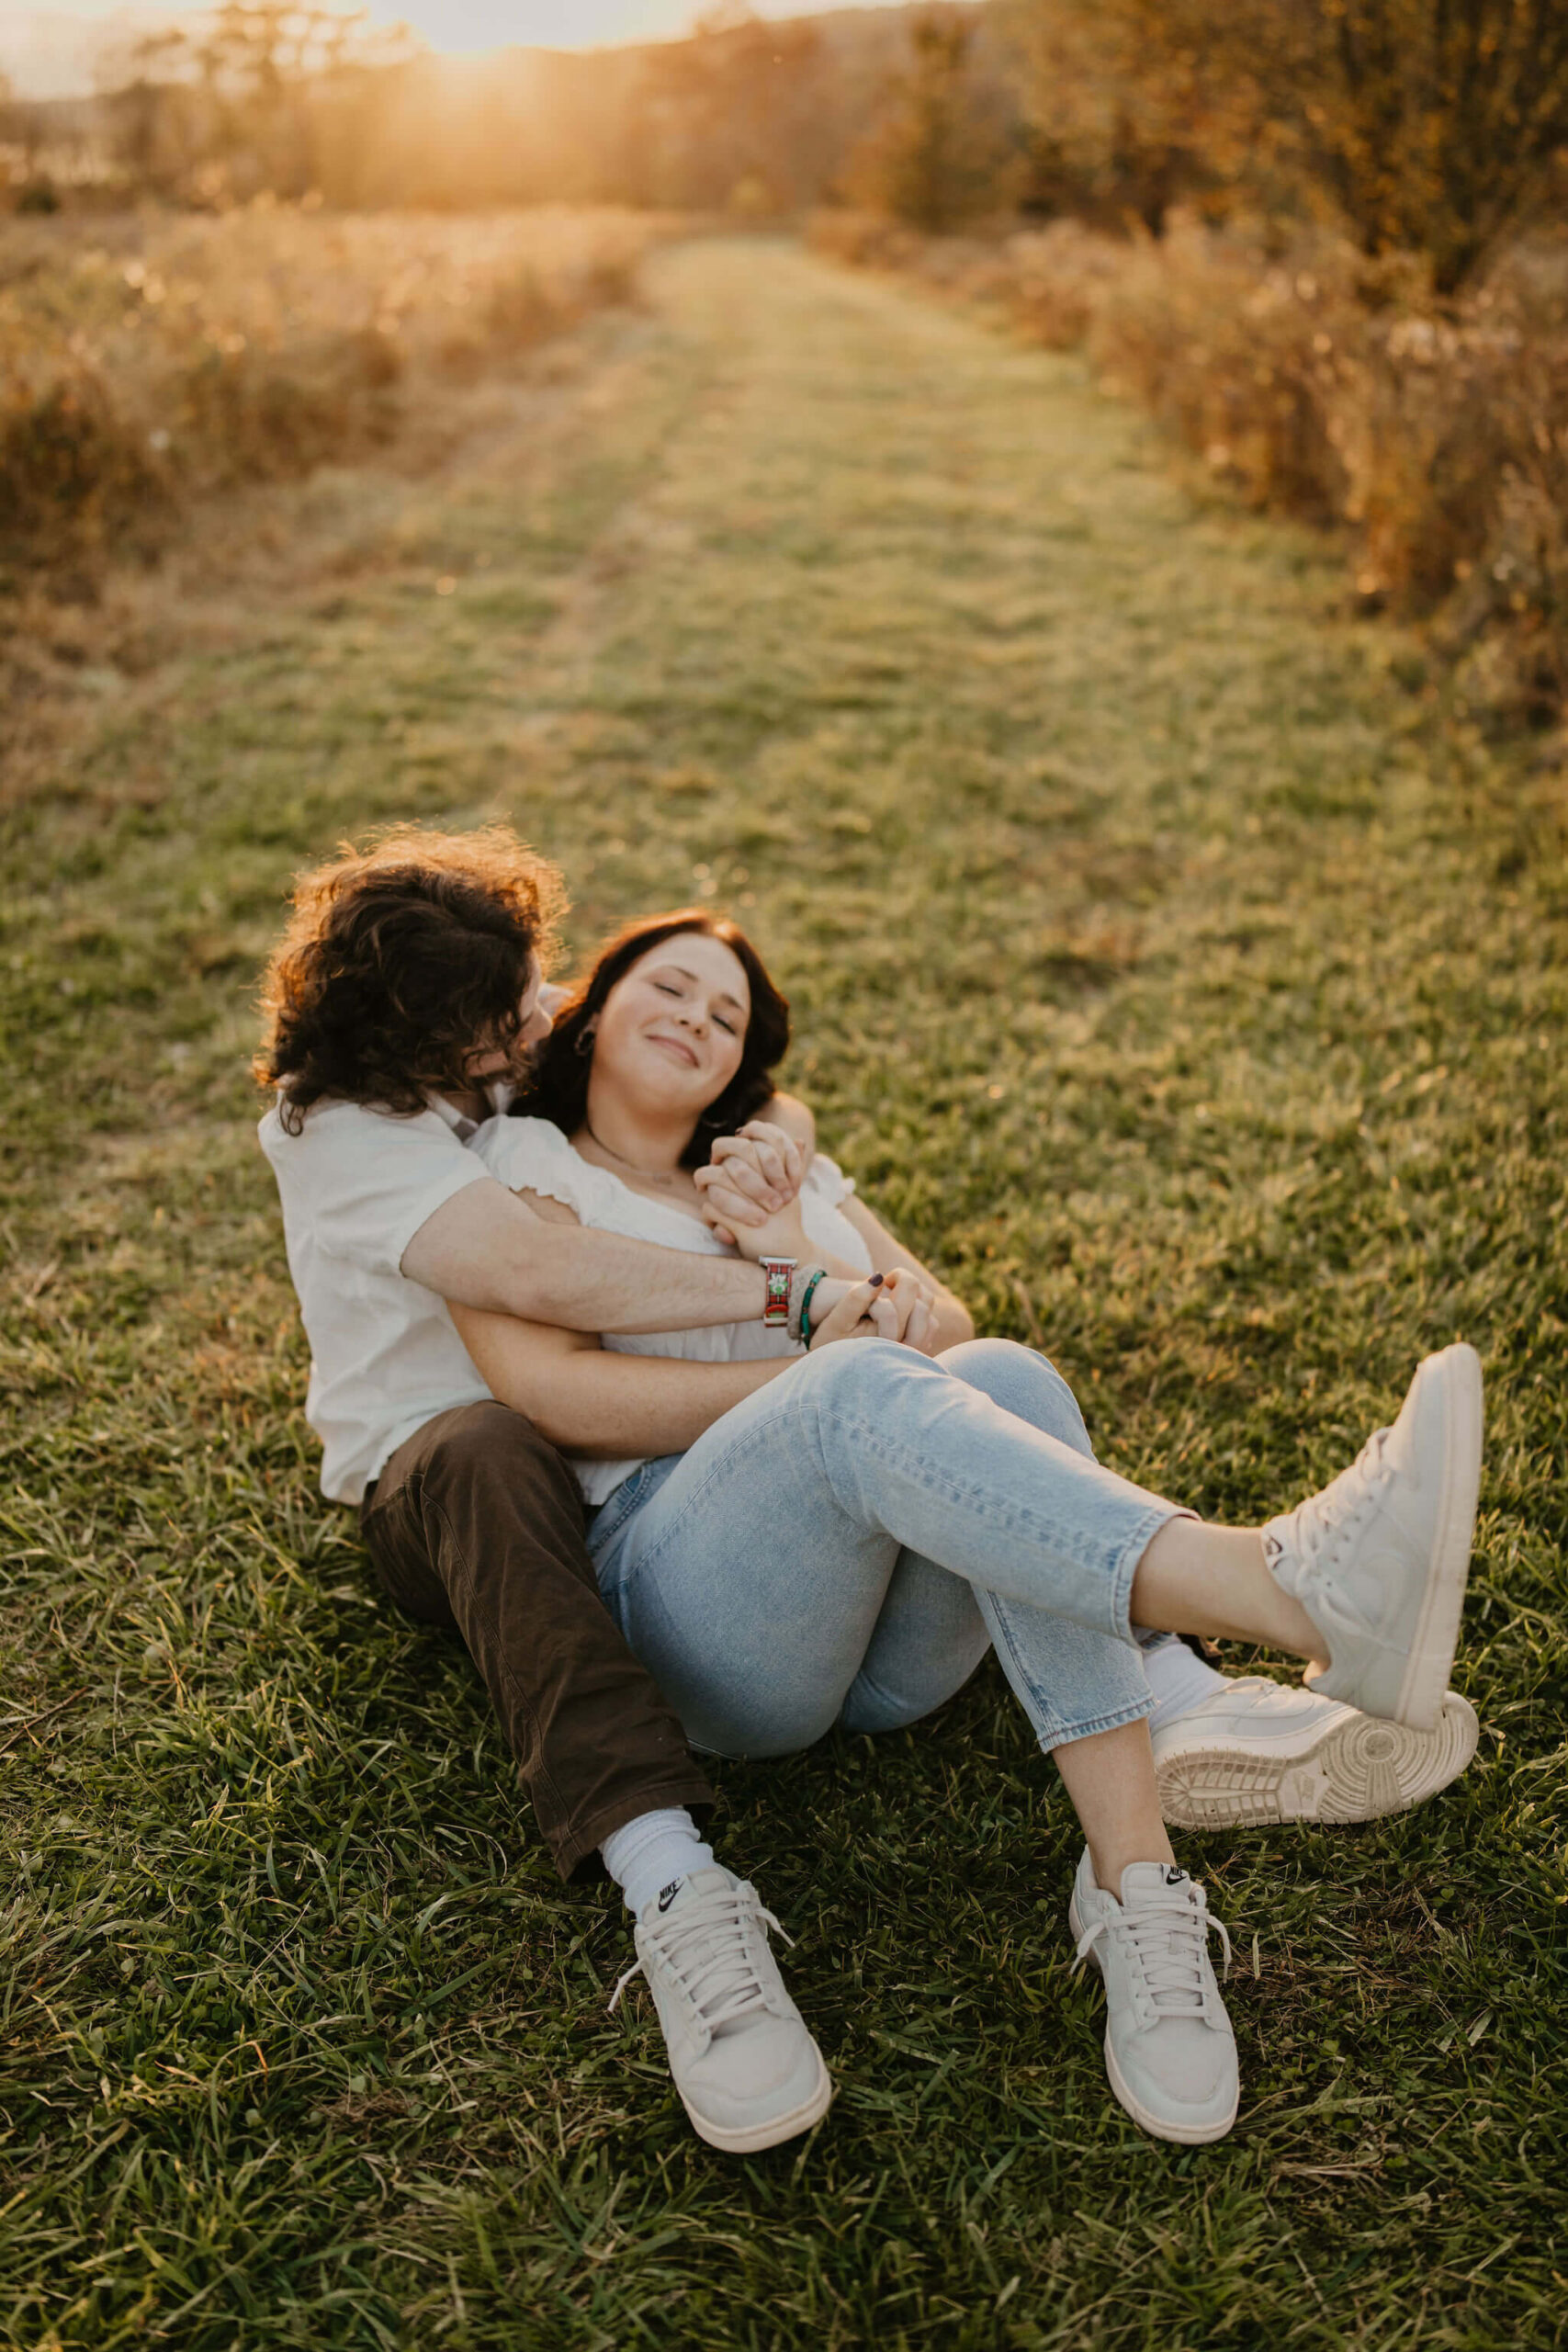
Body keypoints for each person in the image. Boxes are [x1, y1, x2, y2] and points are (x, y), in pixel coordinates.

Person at [254, 825, 1478, 2155]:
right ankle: (1269, 1595)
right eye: (657, 992)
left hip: (878, 1630)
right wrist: (805, 1316)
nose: (534, 1026)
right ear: (560, 1030)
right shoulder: (476, 1157)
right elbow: (547, 1351)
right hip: (641, 1571)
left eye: (726, 1016)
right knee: (807, 1402)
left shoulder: (705, 1129)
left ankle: (1138, 1881)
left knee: (1005, 1372)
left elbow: (925, 1313)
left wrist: (779, 1184)